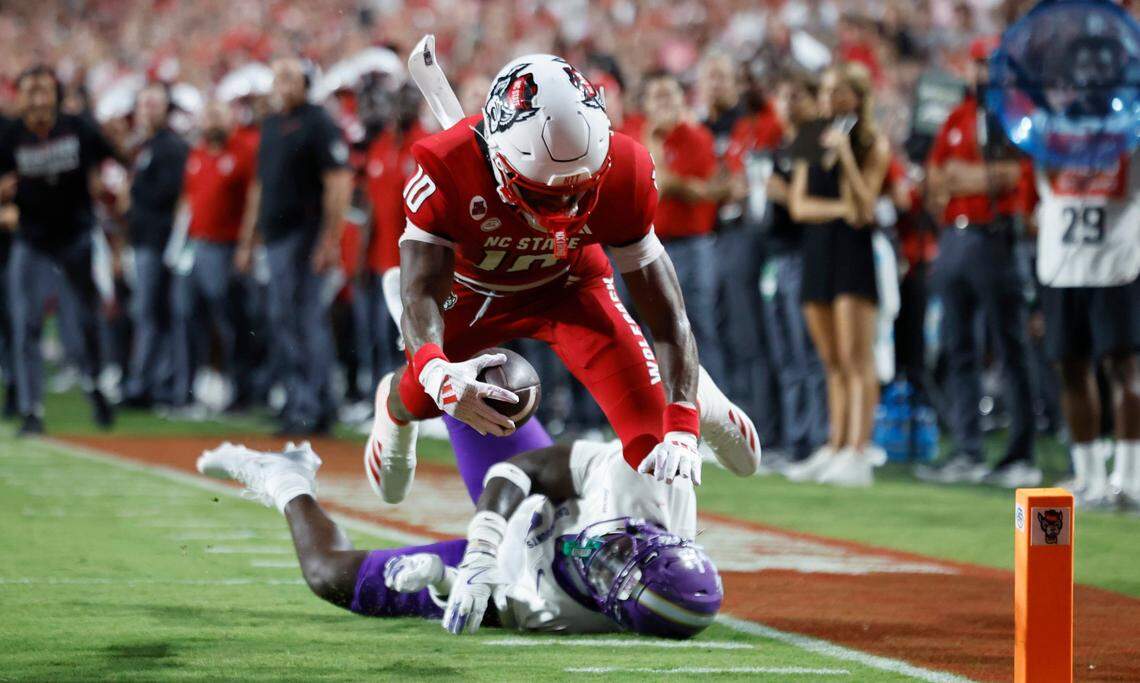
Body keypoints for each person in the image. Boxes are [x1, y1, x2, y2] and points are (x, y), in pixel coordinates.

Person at [366, 55, 710, 505]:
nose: (565, 213)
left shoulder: (625, 168)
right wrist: (433, 369)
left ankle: (704, 402)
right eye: (545, 195)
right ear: (500, 160)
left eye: (580, 192)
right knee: (425, 396)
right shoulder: (447, 166)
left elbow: (668, 316)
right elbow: (420, 293)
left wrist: (682, 421)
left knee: (653, 444)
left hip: (571, 288)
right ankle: (391, 409)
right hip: (475, 297)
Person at [196, 365, 758, 636]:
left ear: (612, 609)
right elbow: (527, 468)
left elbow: (493, 606)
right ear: (659, 536)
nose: (601, 553)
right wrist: (485, 541)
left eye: (609, 572)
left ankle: (286, 478)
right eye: (622, 550)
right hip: (534, 500)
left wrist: (444, 578)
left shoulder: (564, 614)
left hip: (511, 563)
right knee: (492, 378)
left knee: (327, 575)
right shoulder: (649, 482)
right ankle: (700, 400)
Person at [916, 38, 1040, 488]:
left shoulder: (1016, 114)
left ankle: (1020, 453)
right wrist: (972, 180)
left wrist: (963, 178)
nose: (983, 73)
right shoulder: (955, 116)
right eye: (978, 64)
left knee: (1010, 348)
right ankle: (968, 449)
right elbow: (934, 178)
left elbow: (1018, 175)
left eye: (992, 65)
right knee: (958, 348)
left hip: (995, 236)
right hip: (955, 237)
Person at [782, 63, 891, 487]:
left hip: (853, 254)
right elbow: (799, 205)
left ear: (858, 98)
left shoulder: (871, 144)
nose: (830, 99)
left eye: (839, 92)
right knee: (830, 359)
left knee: (856, 357)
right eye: (827, 91)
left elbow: (866, 206)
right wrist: (842, 211)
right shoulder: (811, 137)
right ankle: (835, 443)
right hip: (819, 249)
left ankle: (858, 451)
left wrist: (845, 155)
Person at [236, 58, 353, 435]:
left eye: (289, 76)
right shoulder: (270, 125)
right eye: (277, 76)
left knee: (303, 320)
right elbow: (259, 186)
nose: (281, 83)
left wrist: (329, 240)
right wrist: (248, 237)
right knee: (286, 320)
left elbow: (338, 181)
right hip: (274, 238)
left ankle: (310, 406)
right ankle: (305, 402)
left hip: (304, 234)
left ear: (306, 83)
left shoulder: (317, 122)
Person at [0, 65, 119, 435]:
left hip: (76, 236)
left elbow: (113, 158)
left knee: (85, 319)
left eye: (44, 91)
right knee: (27, 322)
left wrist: (110, 182)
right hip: (32, 239)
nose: (37, 99)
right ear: (19, 97)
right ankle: (31, 410)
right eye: (30, 91)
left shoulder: (78, 127)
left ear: (56, 95)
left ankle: (95, 385)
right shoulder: (8, 134)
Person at [639, 71, 726, 385]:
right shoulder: (637, 136)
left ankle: (717, 411)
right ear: (646, 103)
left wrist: (659, 164)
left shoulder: (696, 136)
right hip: (651, 247)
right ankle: (671, 410)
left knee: (700, 327)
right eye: (657, 96)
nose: (664, 103)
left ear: (682, 100)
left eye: (670, 95)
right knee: (659, 332)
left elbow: (688, 189)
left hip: (693, 244)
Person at [760, 72, 829, 464]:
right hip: (776, 255)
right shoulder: (785, 144)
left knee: (808, 351)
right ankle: (795, 437)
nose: (790, 104)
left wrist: (782, 193)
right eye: (785, 96)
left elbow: (812, 206)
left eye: (798, 96)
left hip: (803, 255)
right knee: (786, 354)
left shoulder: (815, 144)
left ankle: (817, 438)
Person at [170, 99, 256, 408]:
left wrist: (247, 245)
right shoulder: (196, 153)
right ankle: (186, 389)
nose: (211, 121)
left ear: (230, 118)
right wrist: (177, 245)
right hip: (193, 247)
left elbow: (253, 202)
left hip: (225, 247)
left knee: (228, 320)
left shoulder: (243, 152)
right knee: (185, 314)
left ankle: (236, 389)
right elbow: (187, 200)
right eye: (207, 115)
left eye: (217, 114)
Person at [122, 82, 189, 407]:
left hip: (157, 240)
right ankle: (151, 382)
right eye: (144, 103)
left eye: (154, 104)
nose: (147, 109)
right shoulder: (148, 146)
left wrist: (130, 196)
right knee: (152, 312)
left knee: (151, 312)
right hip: (145, 238)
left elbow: (168, 194)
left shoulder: (170, 147)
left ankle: (145, 385)